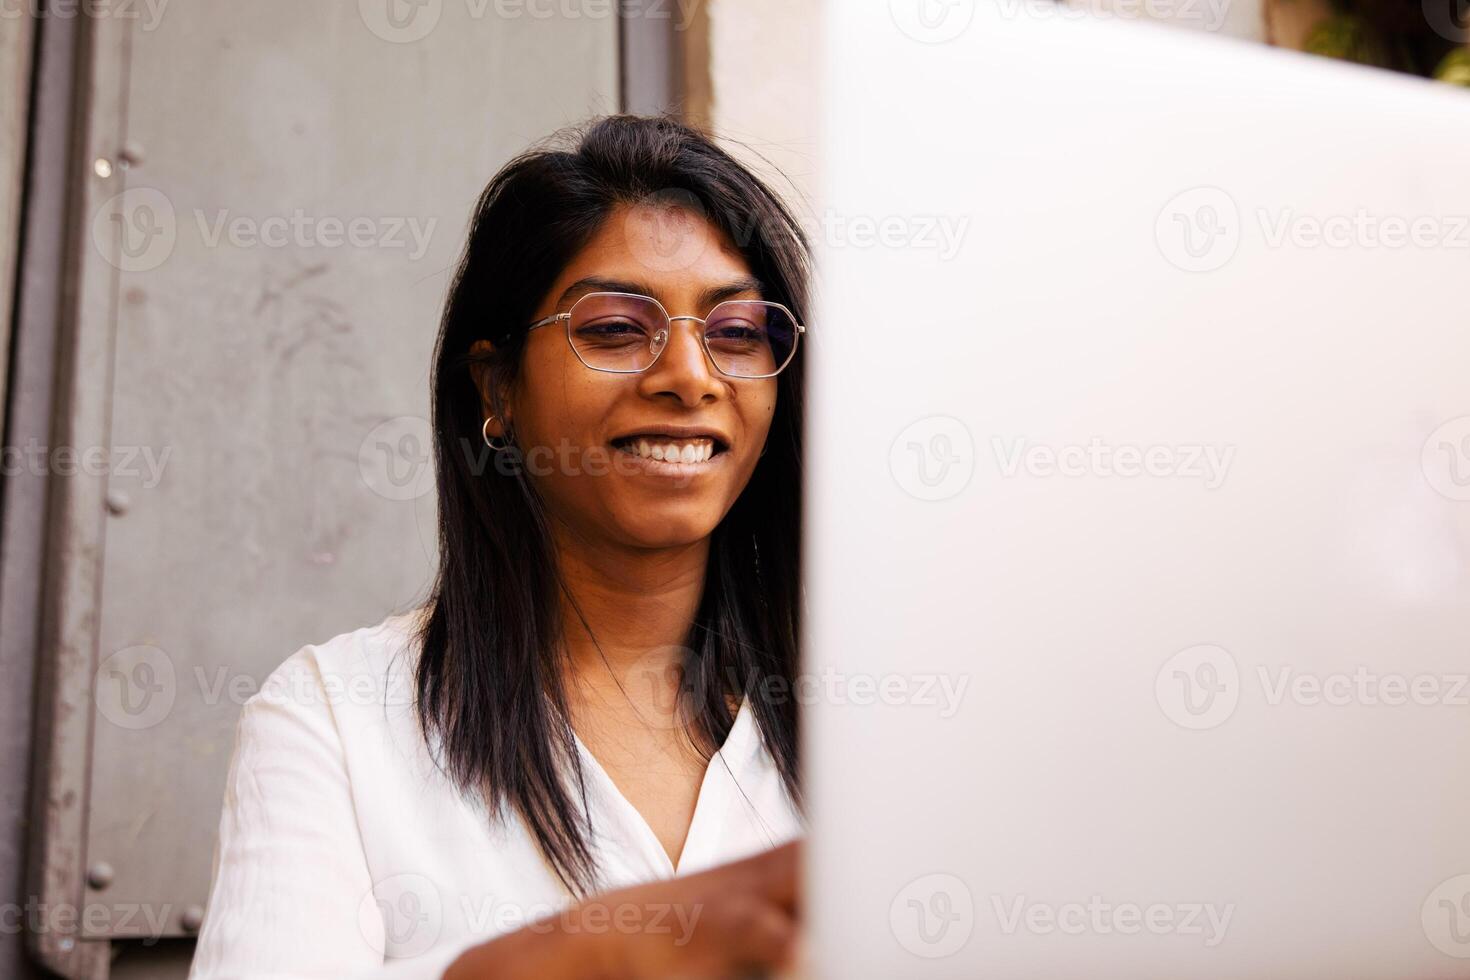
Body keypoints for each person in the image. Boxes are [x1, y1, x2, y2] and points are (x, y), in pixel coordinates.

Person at [188, 113, 811, 980]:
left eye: (738, 333)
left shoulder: (868, 721)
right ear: (498, 386)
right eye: (616, 328)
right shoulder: (336, 718)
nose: (691, 376)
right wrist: (602, 954)